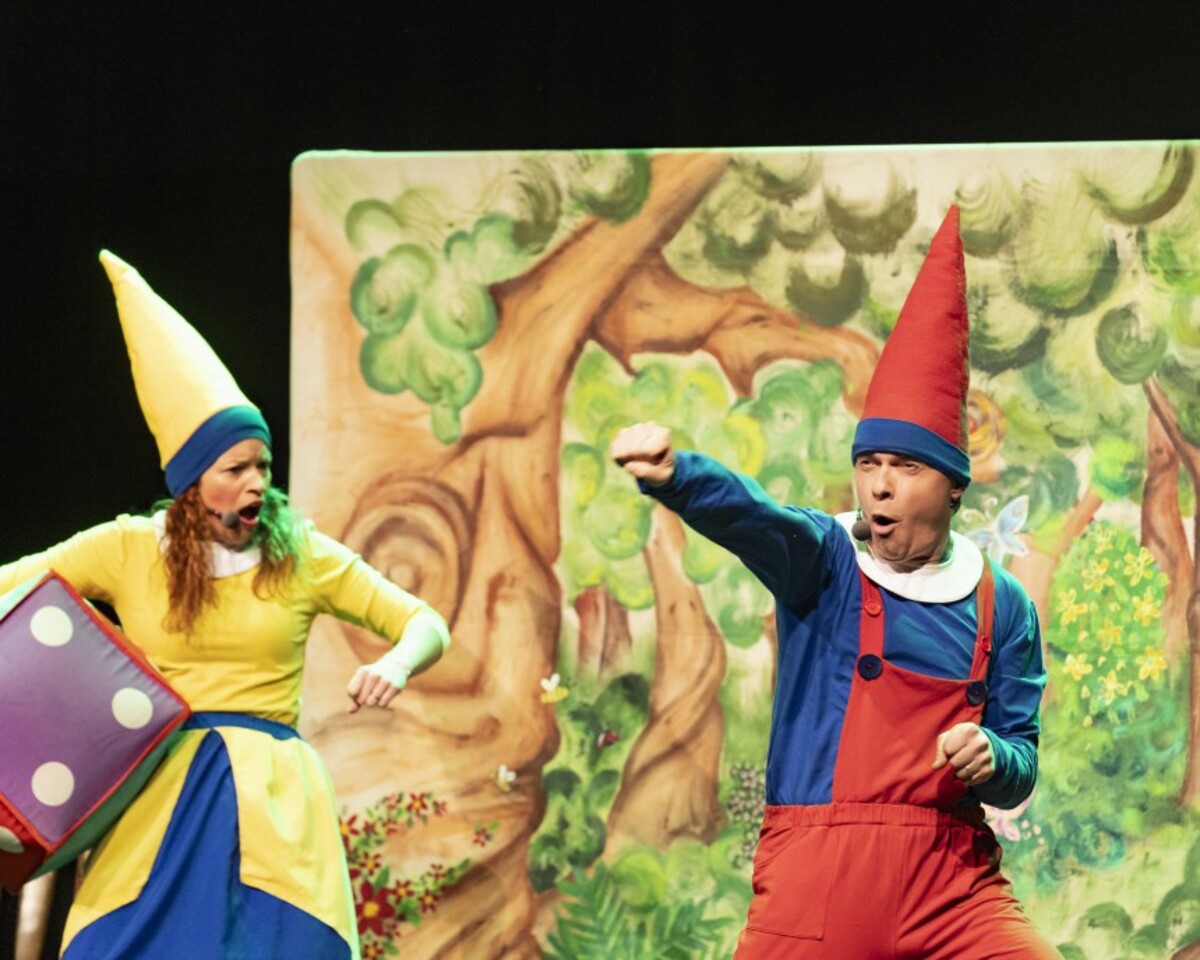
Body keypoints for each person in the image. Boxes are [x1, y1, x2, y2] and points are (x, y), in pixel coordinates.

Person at [610, 208, 1060, 959]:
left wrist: (994, 755)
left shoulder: (1000, 603)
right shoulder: (826, 559)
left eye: (905, 468)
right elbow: (754, 516)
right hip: (817, 878)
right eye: (868, 464)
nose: (879, 486)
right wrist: (678, 477)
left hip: (951, 885)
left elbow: (1020, 763)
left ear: (953, 488)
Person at [0, 251, 450, 959]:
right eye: (235, 468)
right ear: (190, 485)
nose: (256, 483)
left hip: (273, 804)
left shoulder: (301, 554)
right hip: (156, 793)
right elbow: (13, 587)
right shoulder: (129, 547)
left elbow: (425, 623)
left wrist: (395, 664)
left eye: (262, 465)